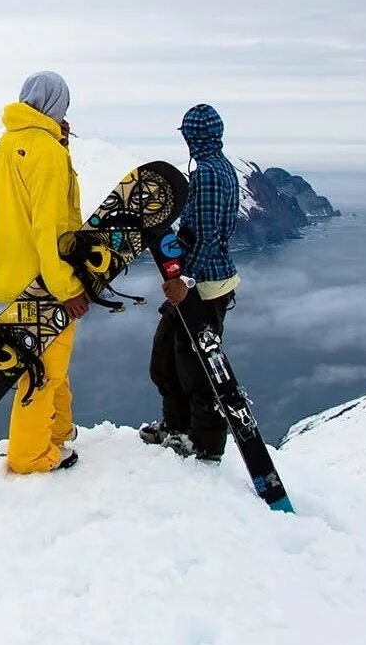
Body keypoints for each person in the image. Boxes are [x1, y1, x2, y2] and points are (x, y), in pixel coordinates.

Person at [0, 71, 90, 473]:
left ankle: (57, 433)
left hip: (16, 274)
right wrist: (66, 286)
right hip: (48, 279)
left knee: (46, 362)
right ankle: (30, 456)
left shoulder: (7, 143)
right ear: (57, 105)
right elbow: (48, 226)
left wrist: (59, 143)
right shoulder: (46, 150)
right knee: (44, 371)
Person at [140, 103, 240, 463]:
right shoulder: (214, 168)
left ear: (192, 136)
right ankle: (177, 427)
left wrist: (184, 279)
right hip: (199, 281)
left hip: (205, 285)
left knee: (196, 368)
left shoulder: (211, 174)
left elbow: (208, 235)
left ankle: (205, 444)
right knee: (166, 358)